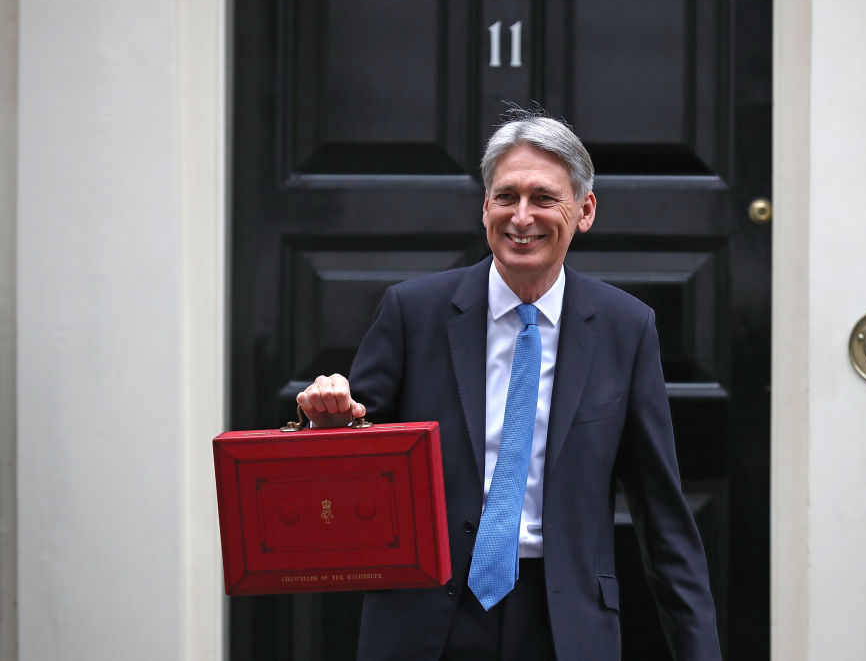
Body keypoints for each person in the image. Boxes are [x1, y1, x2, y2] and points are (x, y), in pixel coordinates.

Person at [298, 112, 720, 660]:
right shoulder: (413, 312)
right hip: (426, 619)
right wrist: (326, 426)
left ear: (585, 211)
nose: (522, 217)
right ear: (485, 208)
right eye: (506, 197)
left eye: (543, 198)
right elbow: (351, 476)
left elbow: (662, 515)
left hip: (564, 625)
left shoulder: (626, 328)